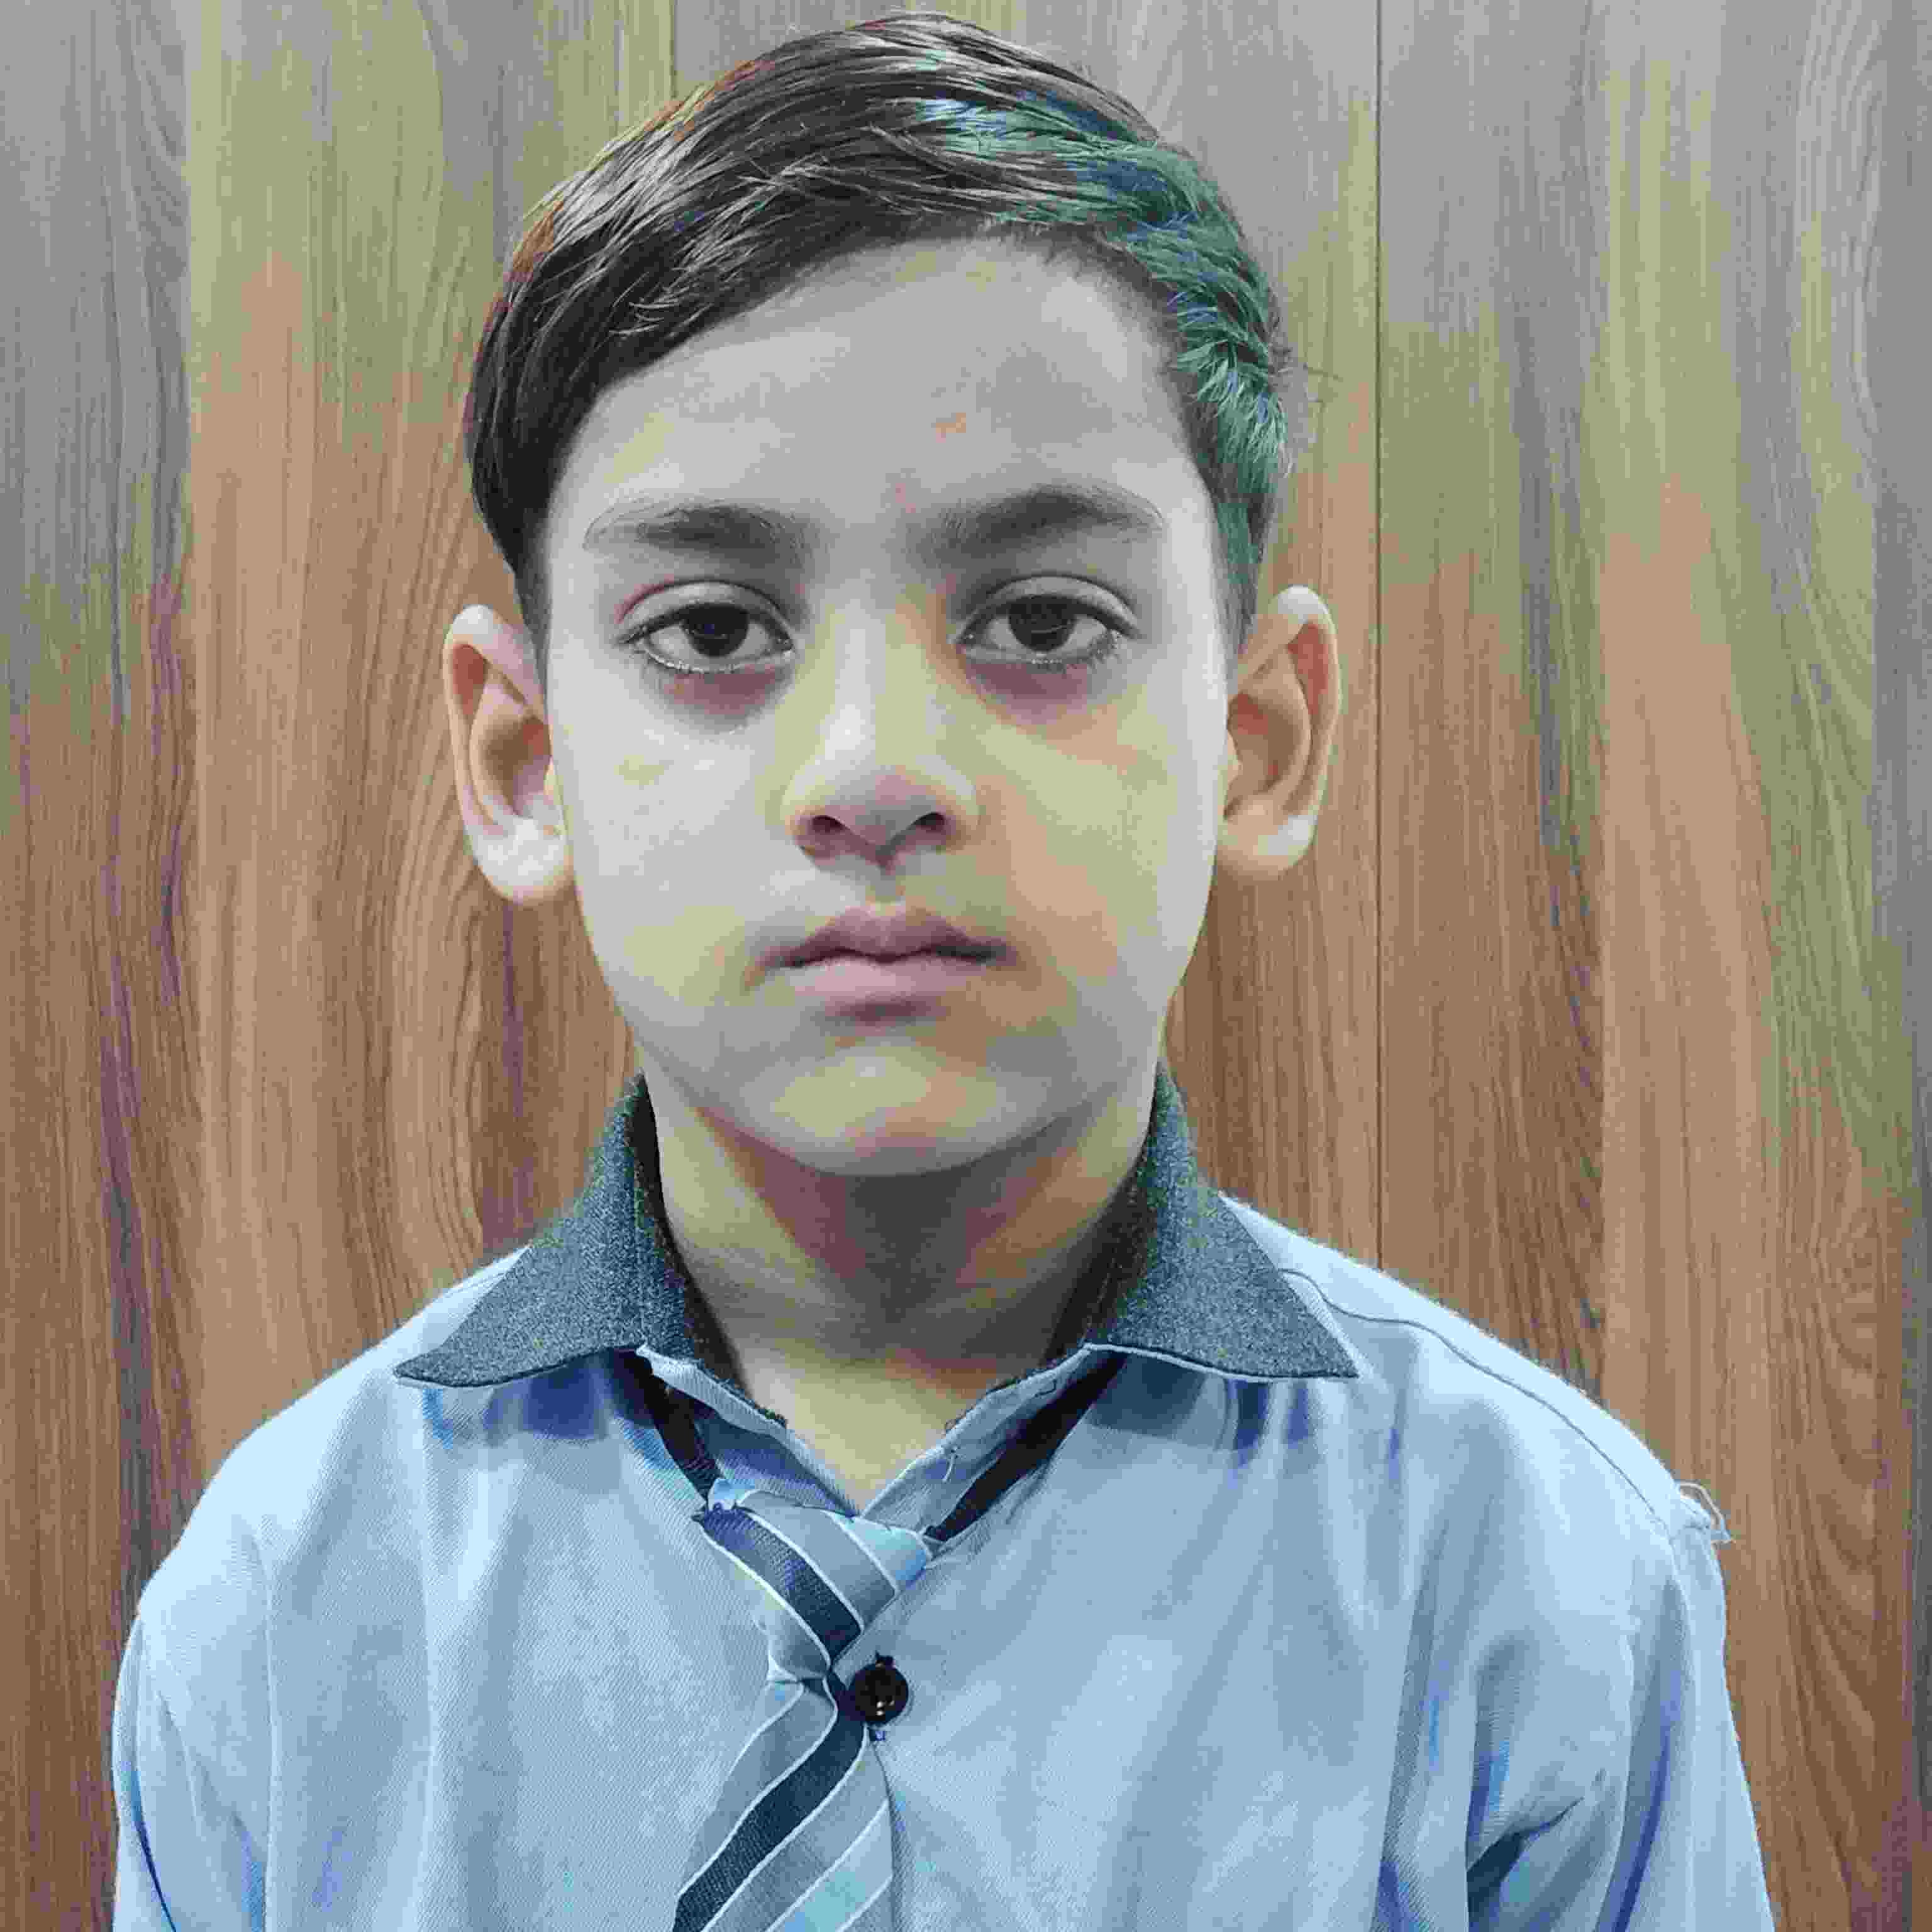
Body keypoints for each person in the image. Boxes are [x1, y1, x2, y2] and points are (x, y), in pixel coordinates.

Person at [111, 14, 1775, 1927]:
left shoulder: (1542, 1584)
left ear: (1256, 742)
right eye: (712, 628)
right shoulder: (283, 1607)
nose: (873, 768)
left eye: (1043, 620)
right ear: (524, 763)